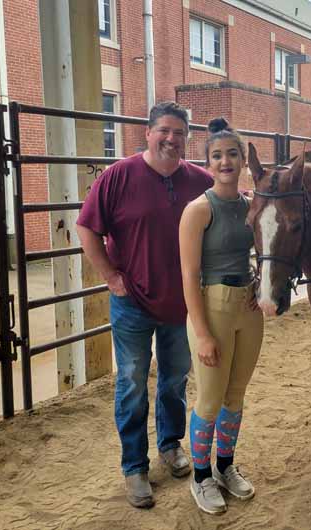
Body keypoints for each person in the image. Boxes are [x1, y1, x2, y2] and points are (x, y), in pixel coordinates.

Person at [76, 101, 213, 509]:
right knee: (132, 383)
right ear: (148, 134)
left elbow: (236, 206)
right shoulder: (119, 175)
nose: (171, 139)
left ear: (187, 138)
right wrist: (109, 276)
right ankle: (134, 465)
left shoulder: (199, 181)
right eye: (164, 131)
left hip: (182, 304)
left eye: (179, 133)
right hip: (132, 300)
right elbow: (86, 226)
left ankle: (170, 445)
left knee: (175, 378)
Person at [179, 118, 264, 515]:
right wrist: (202, 333)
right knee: (210, 399)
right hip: (212, 306)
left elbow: (267, 247)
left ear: (244, 159)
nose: (226, 161)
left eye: (233, 153)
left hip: (247, 306)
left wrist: (261, 283)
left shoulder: (250, 206)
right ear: (207, 163)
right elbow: (189, 275)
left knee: (235, 395)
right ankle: (201, 476)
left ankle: (225, 467)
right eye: (217, 155)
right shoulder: (199, 209)